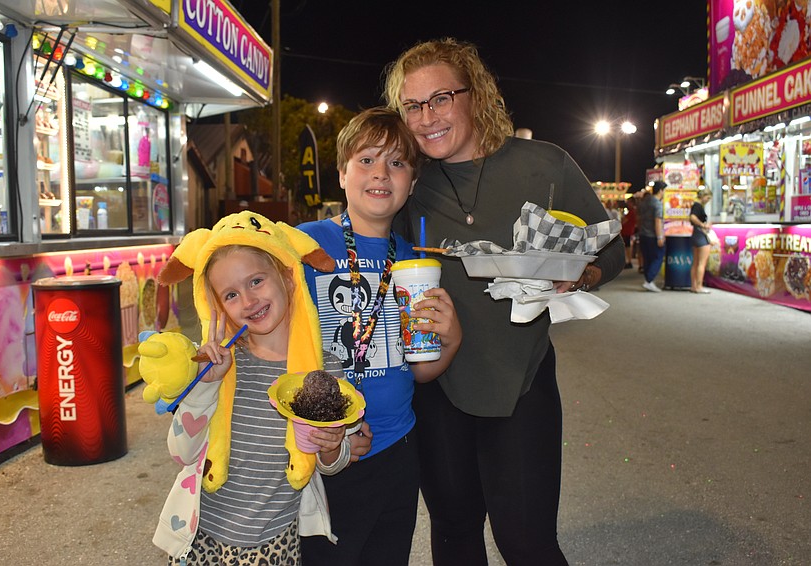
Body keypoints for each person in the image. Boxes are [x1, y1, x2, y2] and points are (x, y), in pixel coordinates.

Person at [383, 38, 624, 565]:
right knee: (453, 530)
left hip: (522, 379)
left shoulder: (544, 166)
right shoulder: (408, 182)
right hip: (435, 383)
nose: (426, 118)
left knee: (527, 541)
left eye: (440, 98)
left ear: (476, 95)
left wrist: (578, 274)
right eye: (412, 105)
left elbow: (612, 249)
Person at [298, 107, 463, 565]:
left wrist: (450, 341)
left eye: (397, 163)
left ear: (411, 183)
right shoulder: (301, 245)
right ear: (342, 173)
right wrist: (328, 435)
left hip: (396, 449)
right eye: (367, 159)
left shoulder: (414, 262)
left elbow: (421, 369)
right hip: (327, 452)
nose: (381, 174)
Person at [141, 212, 355, 565]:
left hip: (276, 545)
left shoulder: (325, 369)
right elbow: (181, 452)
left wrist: (332, 447)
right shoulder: (218, 366)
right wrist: (205, 388)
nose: (248, 300)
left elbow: (334, 462)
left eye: (256, 281)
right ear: (218, 307)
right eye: (231, 294)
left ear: (288, 276)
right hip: (201, 540)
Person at [638, 181, 666, 292]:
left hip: (643, 234)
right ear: (661, 190)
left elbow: (639, 217)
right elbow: (658, 221)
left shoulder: (645, 201)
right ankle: (649, 280)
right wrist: (660, 237)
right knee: (658, 256)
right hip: (653, 236)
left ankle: (648, 281)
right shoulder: (657, 204)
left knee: (647, 259)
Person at [688, 187, 713, 293]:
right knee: (702, 263)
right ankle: (699, 286)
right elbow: (692, 217)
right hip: (701, 234)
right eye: (707, 198)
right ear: (703, 196)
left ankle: (694, 286)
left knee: (696, 262)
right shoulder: (698, 206)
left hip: (695, 234)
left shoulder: (695, 205)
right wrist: (703, 224)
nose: (708, 200)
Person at [621, 195, 638, 268]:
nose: (627, 204)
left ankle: (629, 261)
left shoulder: (631, 211)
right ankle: (629, 261)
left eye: (628, 202)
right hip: (628, 231)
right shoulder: (633, 211)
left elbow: (624, 221)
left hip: (628, 232)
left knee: (628, 247)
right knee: (628, 247)